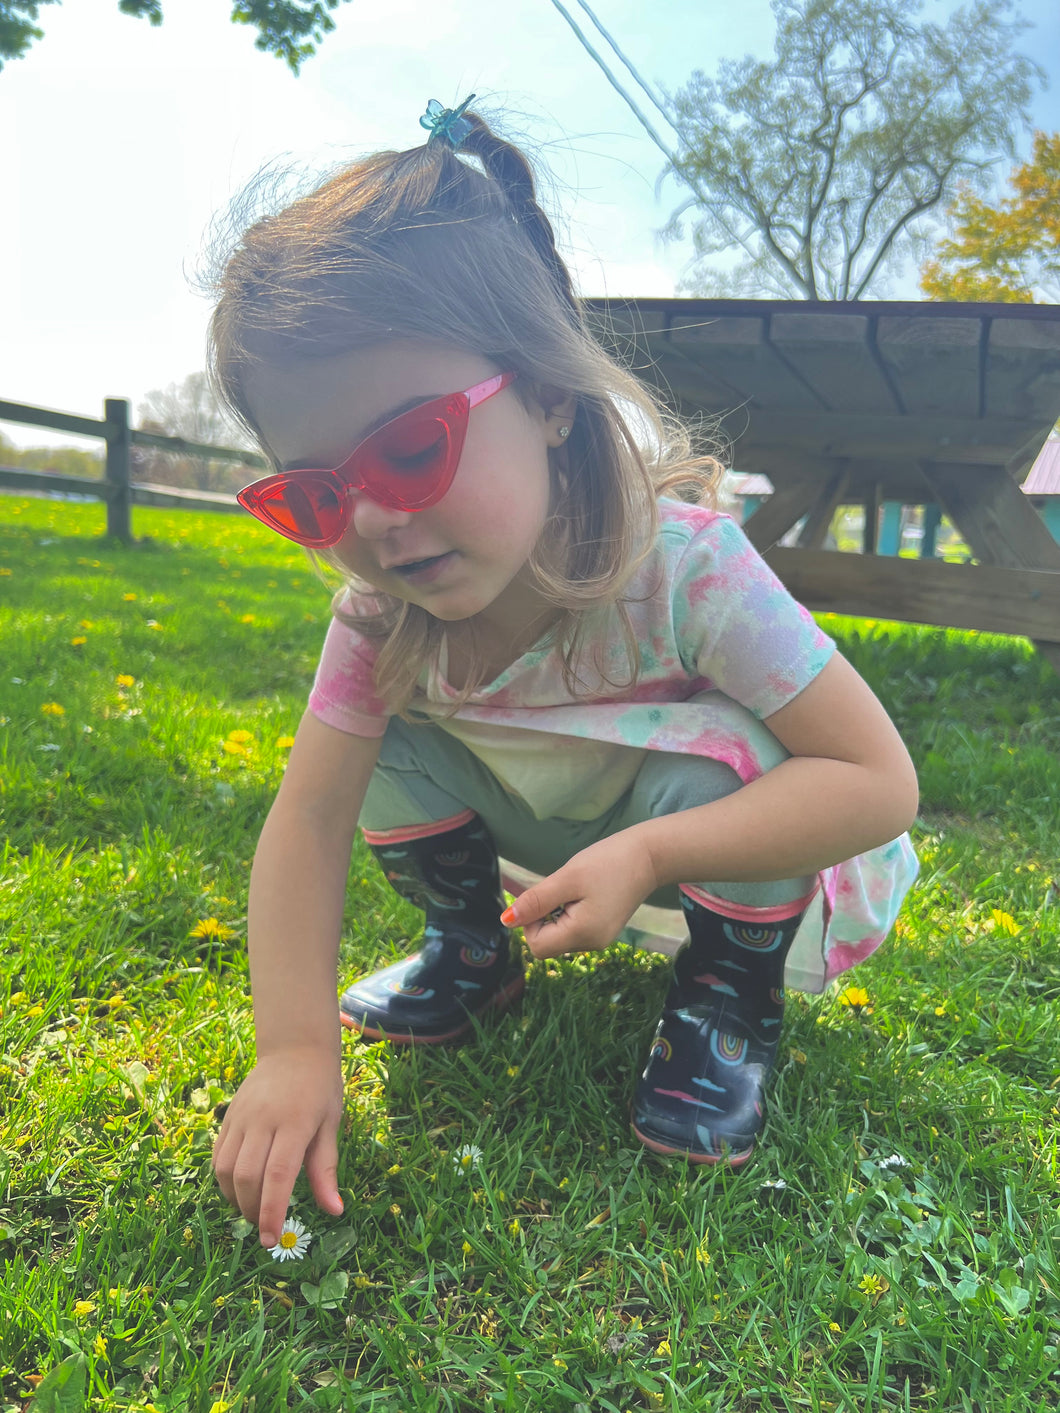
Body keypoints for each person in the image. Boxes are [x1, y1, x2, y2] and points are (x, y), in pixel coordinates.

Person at [208, 97, 919, 1250]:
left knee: (727, 767)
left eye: (410, 445)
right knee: (371, 737)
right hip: (559, 844)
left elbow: (877, 782)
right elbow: (307, 818)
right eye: (317, 494)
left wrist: (651, 854)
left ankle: (727, 1007)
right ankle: (471, 951)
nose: (377, 519)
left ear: (545, 396)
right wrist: (291, 1048)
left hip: (738, 858)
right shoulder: (382, 617)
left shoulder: (685, 571)